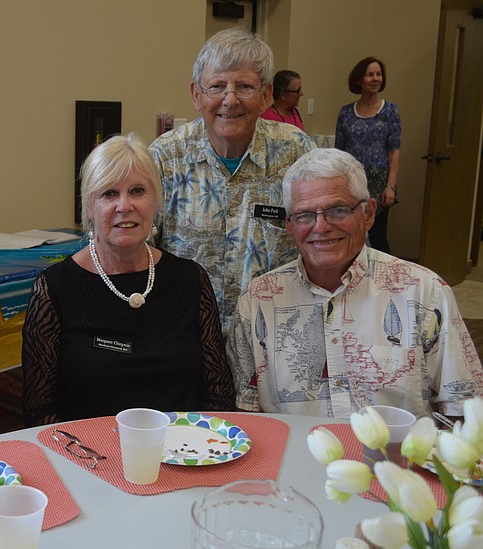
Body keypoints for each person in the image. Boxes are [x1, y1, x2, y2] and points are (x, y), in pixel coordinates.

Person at [227, 148, 483, 418]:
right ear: (289, 225)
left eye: (337, 210)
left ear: (369, 213)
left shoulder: (425, 292)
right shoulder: (259, 300)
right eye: (304, 215)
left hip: (394, 459)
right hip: (290, 456)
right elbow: (247, 414)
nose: (321, 226)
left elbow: (463, 411)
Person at [22, 133, 234, 426]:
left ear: (156, 201)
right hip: (89, 457)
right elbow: (40, 411)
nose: (124, 206)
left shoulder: (191, 280)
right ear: (88, 208)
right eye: (109, 194)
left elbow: (219, 395)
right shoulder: (55, 288)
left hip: (184, 452)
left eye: (137, 191)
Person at [150, 27, 316, 334]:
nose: (230, 99)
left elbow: (323, 241)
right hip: (184, 338)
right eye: (216, 86)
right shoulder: (165, 157)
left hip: (275, 338)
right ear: (196, 95)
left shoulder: (297, 153)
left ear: (266, 95)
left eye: (244, 86)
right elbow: (140, 251)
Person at [334, 56, 401, 255]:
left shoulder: (390, 111)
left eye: (379, 74)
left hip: (379, 185)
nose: (375, 79)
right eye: (370, 74)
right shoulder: (346, 112)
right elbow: (339, 151)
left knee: (378, 237)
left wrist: (390, 187)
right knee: (349, 231)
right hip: (352, 182)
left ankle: (385, 280)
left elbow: (394, 150)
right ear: (359, 80)